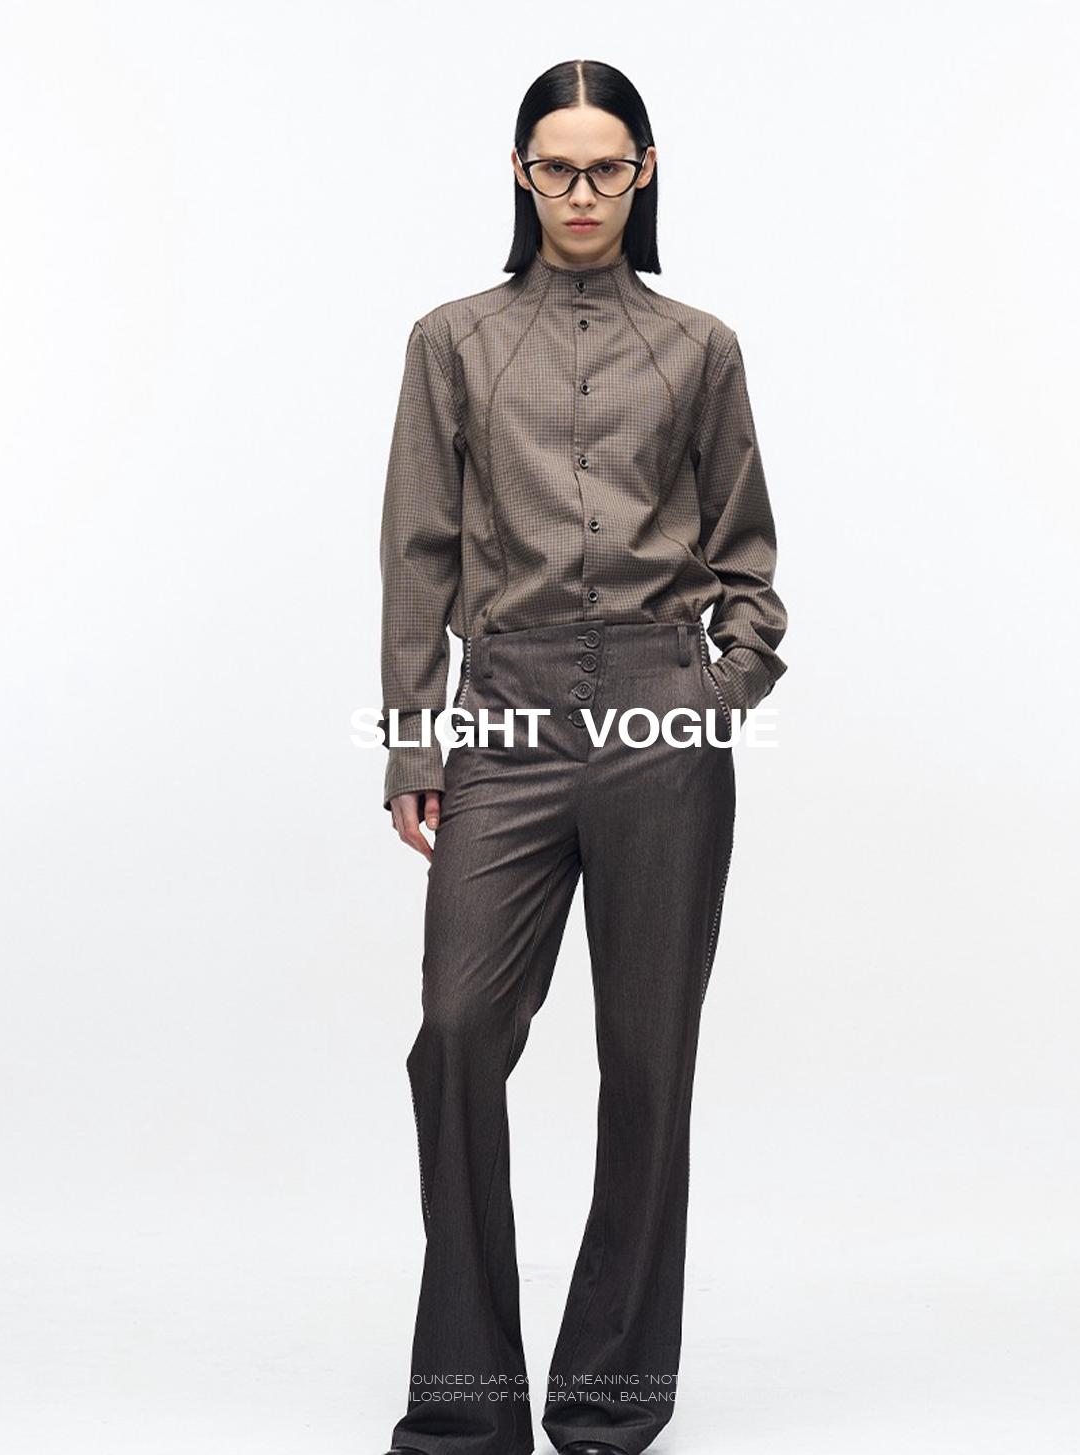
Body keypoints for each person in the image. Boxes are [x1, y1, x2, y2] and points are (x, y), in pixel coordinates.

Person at [376, 58, 787, 1455]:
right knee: (457, 1034)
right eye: (557, 167)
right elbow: (418, 551)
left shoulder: (700, 347)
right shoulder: (453, 340)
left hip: (662, 721)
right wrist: (413, 738)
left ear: (644, 172)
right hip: (506, 713)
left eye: (607, 167)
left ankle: (609, 1402)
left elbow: (747, 558)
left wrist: (719, 688)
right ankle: (470, 1402)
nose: (582, 192)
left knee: (648, 1059)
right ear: (521, 174)